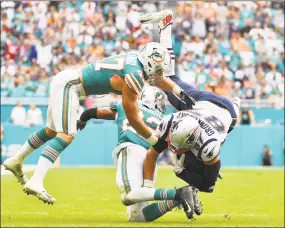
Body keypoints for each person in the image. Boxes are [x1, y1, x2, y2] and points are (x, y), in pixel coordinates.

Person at [3, 41, 195, 204]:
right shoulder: (134, 76)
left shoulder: (134, 62)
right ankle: (36, 181)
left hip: (66, 81)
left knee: (51, 131)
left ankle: (16, 160)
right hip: (71, 86)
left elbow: (158, 80)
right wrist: (154, 141)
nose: (159, 74)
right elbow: (133, 117)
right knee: (66, 135)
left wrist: (180, 92)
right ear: (150, 64)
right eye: (158, 69)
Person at [139, 9, 241, 218]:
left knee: (203, 181)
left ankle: (165, 28)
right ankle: (165, 28)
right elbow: (153, 152)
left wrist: (180, 172)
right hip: (203, 107)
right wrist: (147, 190)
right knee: (166, 80)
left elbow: (209, 184)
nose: (174, 149)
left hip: (223, 112)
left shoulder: (208, 147)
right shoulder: (171, 122)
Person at [77, 86, 197, 221]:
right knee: (136, 217)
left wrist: (81, 121)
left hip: (131, 151)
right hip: (150, 161)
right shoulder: (165, 120)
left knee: (127, 196)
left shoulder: (128, 106)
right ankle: (178, 199)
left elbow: (92, 112)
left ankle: (178, 193)